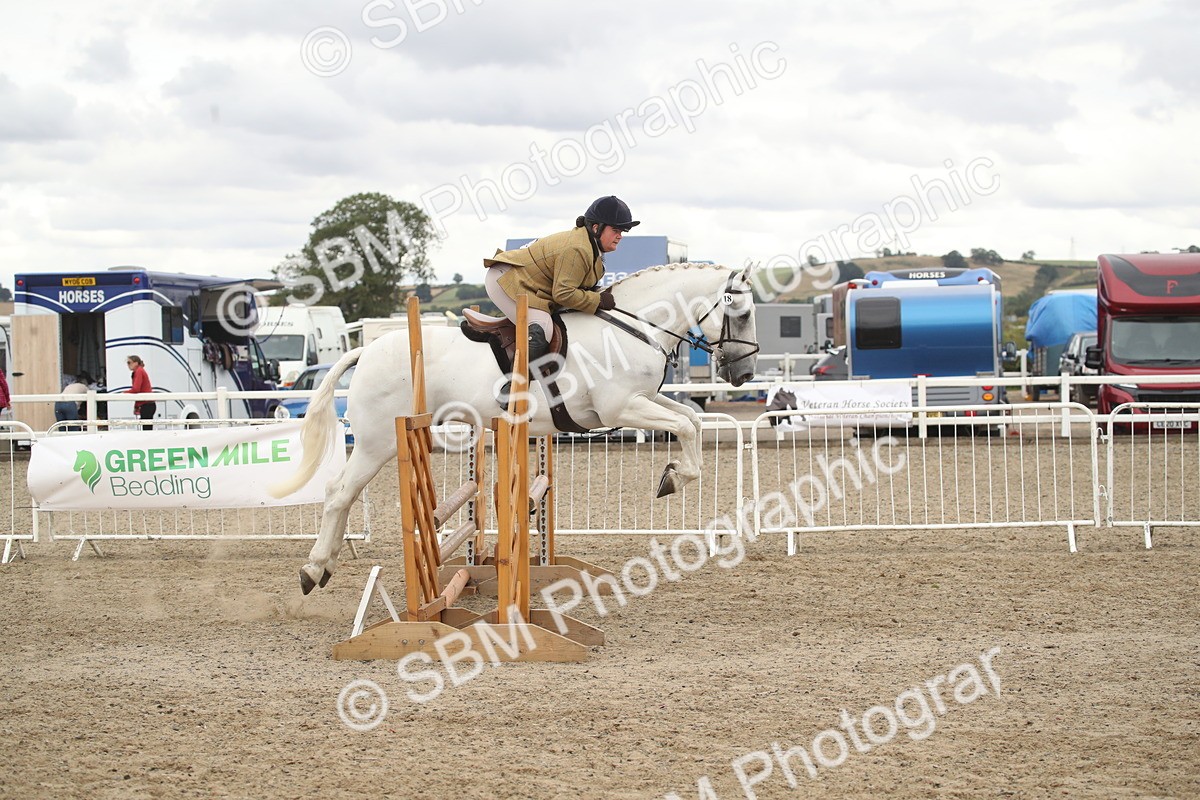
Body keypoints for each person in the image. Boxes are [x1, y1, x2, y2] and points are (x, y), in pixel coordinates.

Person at [483, 195, 639, 403]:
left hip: (529, 286)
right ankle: (513, 390)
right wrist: (597, 301)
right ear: (596, 228)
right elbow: (563, 294)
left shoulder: (591, 249)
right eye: (616, 230)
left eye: (622, 231)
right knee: (542, 327)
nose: (620, 236)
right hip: (505, 281)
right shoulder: (578, 249)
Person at [125, 355, 155, 429]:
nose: (128, 365)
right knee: (147, 428)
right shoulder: (140, 370)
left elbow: (136, 389)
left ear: (136, 363)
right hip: (148, 404)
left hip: (146, 404)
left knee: (146, 429)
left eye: (129, 362)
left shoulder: (139, 371)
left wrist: (124, 393)